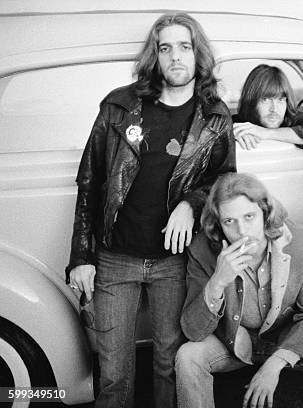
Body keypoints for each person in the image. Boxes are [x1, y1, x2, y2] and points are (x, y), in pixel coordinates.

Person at [65, 13, 235, 408]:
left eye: (185, 46)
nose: (175, 57)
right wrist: (81, 257)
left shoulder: (215, 117)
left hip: (174, 263)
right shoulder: (118, 107)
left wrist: (191, 205)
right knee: (114, 375)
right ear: (155, 57)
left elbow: (224, 181)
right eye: (165, 48)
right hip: (115, 258)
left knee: (168, 367)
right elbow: (89, 183)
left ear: (198, 55)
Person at [176, 173, 303, 408]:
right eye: (229, 221)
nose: (242, 230)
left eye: (249, 216)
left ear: (265, 213)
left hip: (285, 337)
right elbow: (193, 331)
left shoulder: (302, 241)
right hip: (232, 340)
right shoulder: (202, 250)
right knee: (188, 356)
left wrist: (275, 363)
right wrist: (218, 281)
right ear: (218, 224)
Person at [232, 64, 303, 150]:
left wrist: (266, 133)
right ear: (251, 102)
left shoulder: (292, 119)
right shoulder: (237, 124)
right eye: (266, 99)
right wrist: (232, 135)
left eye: (281, 100)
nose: (274, 109)